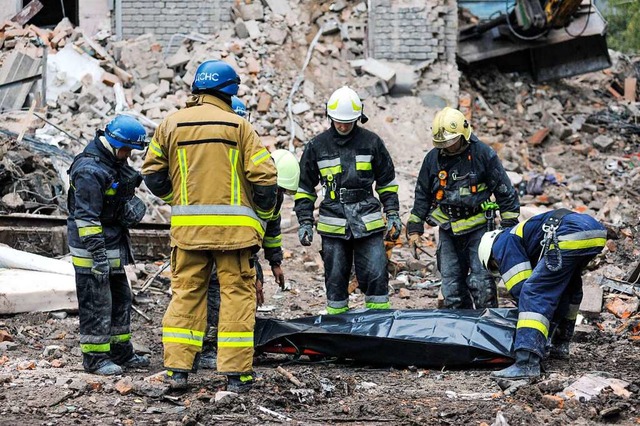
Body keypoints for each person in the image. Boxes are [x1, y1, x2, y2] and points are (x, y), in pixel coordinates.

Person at [142, 60, 278, 392]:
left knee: (186, 294)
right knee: (235, 296)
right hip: (235, 235)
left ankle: (177, 370)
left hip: (188, 233)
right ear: (231, 91)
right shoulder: (239, 127)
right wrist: (259, 211)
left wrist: (179, 197)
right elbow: (266, 177)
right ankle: (236, 376)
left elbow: (151, 173)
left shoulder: (171, 124)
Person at [294, 86, 402, 314]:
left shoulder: (372, 143)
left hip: (368, 222)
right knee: (335, 278)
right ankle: (337, 329)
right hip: (333, 222)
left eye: (348, 121)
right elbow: (305, 188)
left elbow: (387, 183)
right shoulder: (317, 146)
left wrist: (392, 213)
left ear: (358, 118)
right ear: (330, 117)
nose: (343, 126)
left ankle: (378, 324)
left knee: (375, 273)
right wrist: (305, 221)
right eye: (338, 121)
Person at [406, 107, 520, 309]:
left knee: (482, 282)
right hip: (449, 230)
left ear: (463, 134)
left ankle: (486, 329)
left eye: (450, 142)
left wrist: (508, 230)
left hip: (479, 230)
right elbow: (422, 194)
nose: (447, 148)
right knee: (451, 286)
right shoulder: (433, 159)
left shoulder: (483, 154)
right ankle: (458, 331)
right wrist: (414, 229)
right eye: (443, 144)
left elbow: (505, 192)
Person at [478, 209, 607, 379]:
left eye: (495, 266)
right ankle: (560, 344)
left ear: (490, 254)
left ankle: (526, 363)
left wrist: (527, 322)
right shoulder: (524, 236)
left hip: (569, 234)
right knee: (568, 288)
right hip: (594, 232)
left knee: (534, 293)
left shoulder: (502, 242)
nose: (499, 268)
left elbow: (522, 288)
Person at [67, 115, 151, 375]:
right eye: (126, 149)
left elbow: (118, 196)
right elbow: (86, 218)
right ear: (114, 143)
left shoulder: (113, 162)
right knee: (96, 303)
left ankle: (120, 352)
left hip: (111, 245)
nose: (128, 155)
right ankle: (95, 359)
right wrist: (98, 256)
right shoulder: (89, 170)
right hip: (92, 250)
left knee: (121, 298)